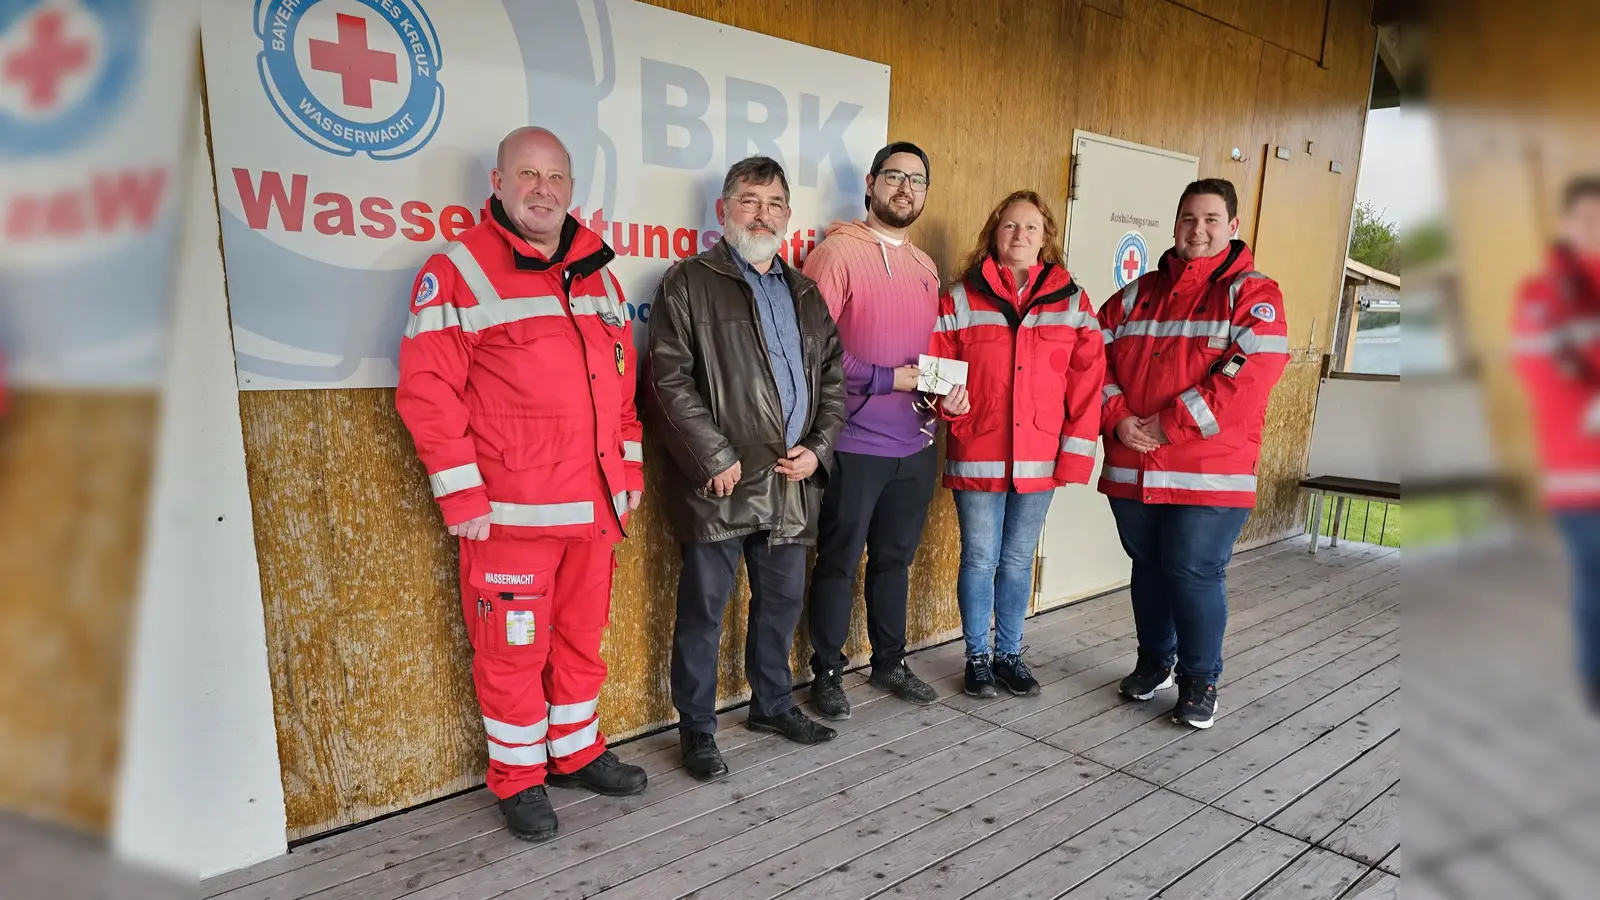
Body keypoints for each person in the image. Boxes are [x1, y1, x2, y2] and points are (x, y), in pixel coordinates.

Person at [395, 127, 647, 843]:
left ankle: (574, 751)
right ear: (498, 186)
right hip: (510, 516)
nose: (543, 189)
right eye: (527, 175)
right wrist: (462, 495)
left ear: (571, 188)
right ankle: (518, 777)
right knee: (512, 653)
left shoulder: (599, 272)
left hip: (593, 511)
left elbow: (624, 386)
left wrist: (628, 470)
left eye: (556, 176)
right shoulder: (459, 270)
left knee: (580, 639)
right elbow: (427, 392)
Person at [645, 156, 848, 780]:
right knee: (704, 611)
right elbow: (666, 381)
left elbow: (834, 382)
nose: (762, 214)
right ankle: (698, 730)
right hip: (722, 481)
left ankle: (772, 704)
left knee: (781, 603)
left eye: (774, 203)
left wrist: (819, 446)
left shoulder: (807, 293)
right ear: (723, 211)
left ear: (789, 216)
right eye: (749, 201)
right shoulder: (686, 283)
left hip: (791, 478)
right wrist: (713, 454)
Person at [1098, 178, 1289, 730]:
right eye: (1188, 218)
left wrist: (1167, 424)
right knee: (1149, 568)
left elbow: (1244, 375)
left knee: (1192, 570)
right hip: (1135, 464)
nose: (1197, 230)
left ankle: (1199, 680)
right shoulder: (1139, 294)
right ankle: (1155, 662)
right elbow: (1094, 356)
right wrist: (1117, 418)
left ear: (1232, 227)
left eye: (1210, 220)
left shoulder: (1254, 295)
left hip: (1211, 472)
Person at [929, 190, 1105, 699]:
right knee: (980, 560)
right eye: (1010, 226)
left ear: (1046, 238)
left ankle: (1010, 654)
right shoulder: (961, 296)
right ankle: (978, 660)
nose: (1020, 235)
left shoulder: (1072, 302)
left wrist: (1073, 454)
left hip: (1040, 460)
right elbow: (938, 369)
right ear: (994, 233)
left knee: (1016, 561)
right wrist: (948, 405)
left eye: (1031, 228)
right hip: (978, 449)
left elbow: (1088, 382)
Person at [800, 142, 943, 720]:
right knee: (839, 559)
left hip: (917, 443)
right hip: (855, 443)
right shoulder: (835, 254)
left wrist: (942, 388)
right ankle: (827, 672)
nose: (905, 188)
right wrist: (889, 378)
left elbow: (936, 355)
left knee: (894, 560)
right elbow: (813, 349)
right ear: (870, 182)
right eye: (894, 177)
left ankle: (889, 662)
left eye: (916, 180)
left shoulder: (926, 266)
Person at [1512, 175, 1600, 711]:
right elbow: (1541, 375)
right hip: (1578, 476)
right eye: (1586, 219)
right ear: (1566, 224)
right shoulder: (1543, 295)